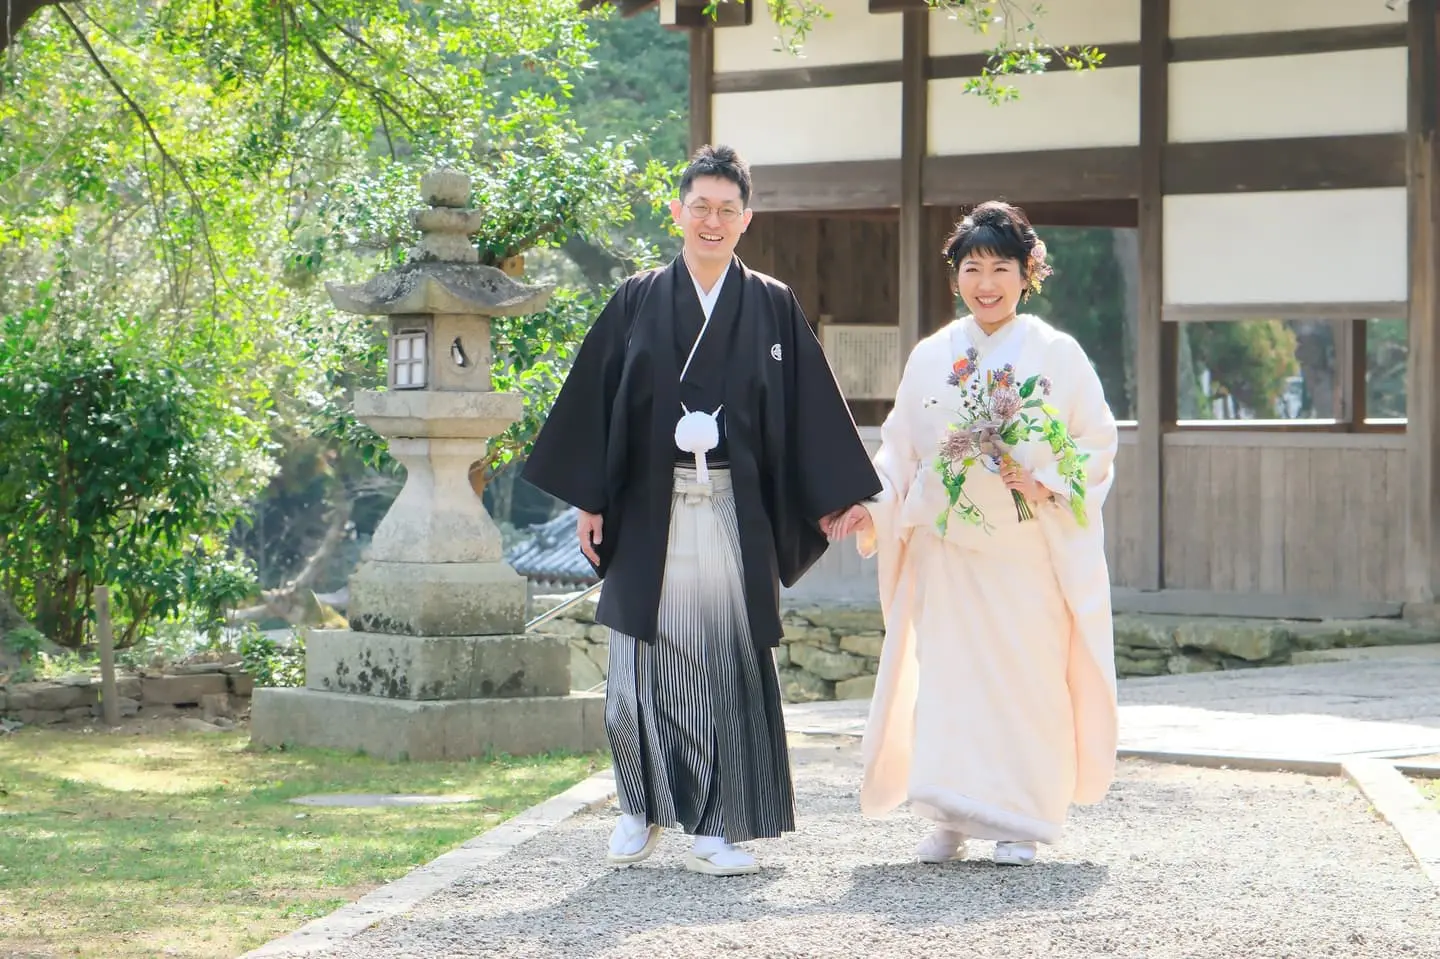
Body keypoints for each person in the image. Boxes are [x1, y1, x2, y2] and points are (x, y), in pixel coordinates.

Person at [522, 145, 882, 877]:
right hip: (646, 507)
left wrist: (840, 494)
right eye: (700, 206)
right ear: (677, 212)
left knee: (723, 663)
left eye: (727, 209)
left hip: (728, 507)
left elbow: (809, 406)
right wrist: (590, 498)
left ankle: (717, 824)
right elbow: (597, 396)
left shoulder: (772, 303)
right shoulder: (637, 297)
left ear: (746, 219)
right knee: (637, 666)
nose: (712, 220)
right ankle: (640, 805)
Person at [825, 200, 1119, 866]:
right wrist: (873, 505)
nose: (986, 282)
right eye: (972, 267)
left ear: (1027, 272)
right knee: (950, 683)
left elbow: (1096, 441)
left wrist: (1042, 479)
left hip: (1023, 554)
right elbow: (899, 448)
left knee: (1027, 679)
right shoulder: (934, 356)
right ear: (955, 274)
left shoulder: (1056, 355)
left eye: (1001, 268)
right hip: (950, 554)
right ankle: (950, 813)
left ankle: (1021, 817)